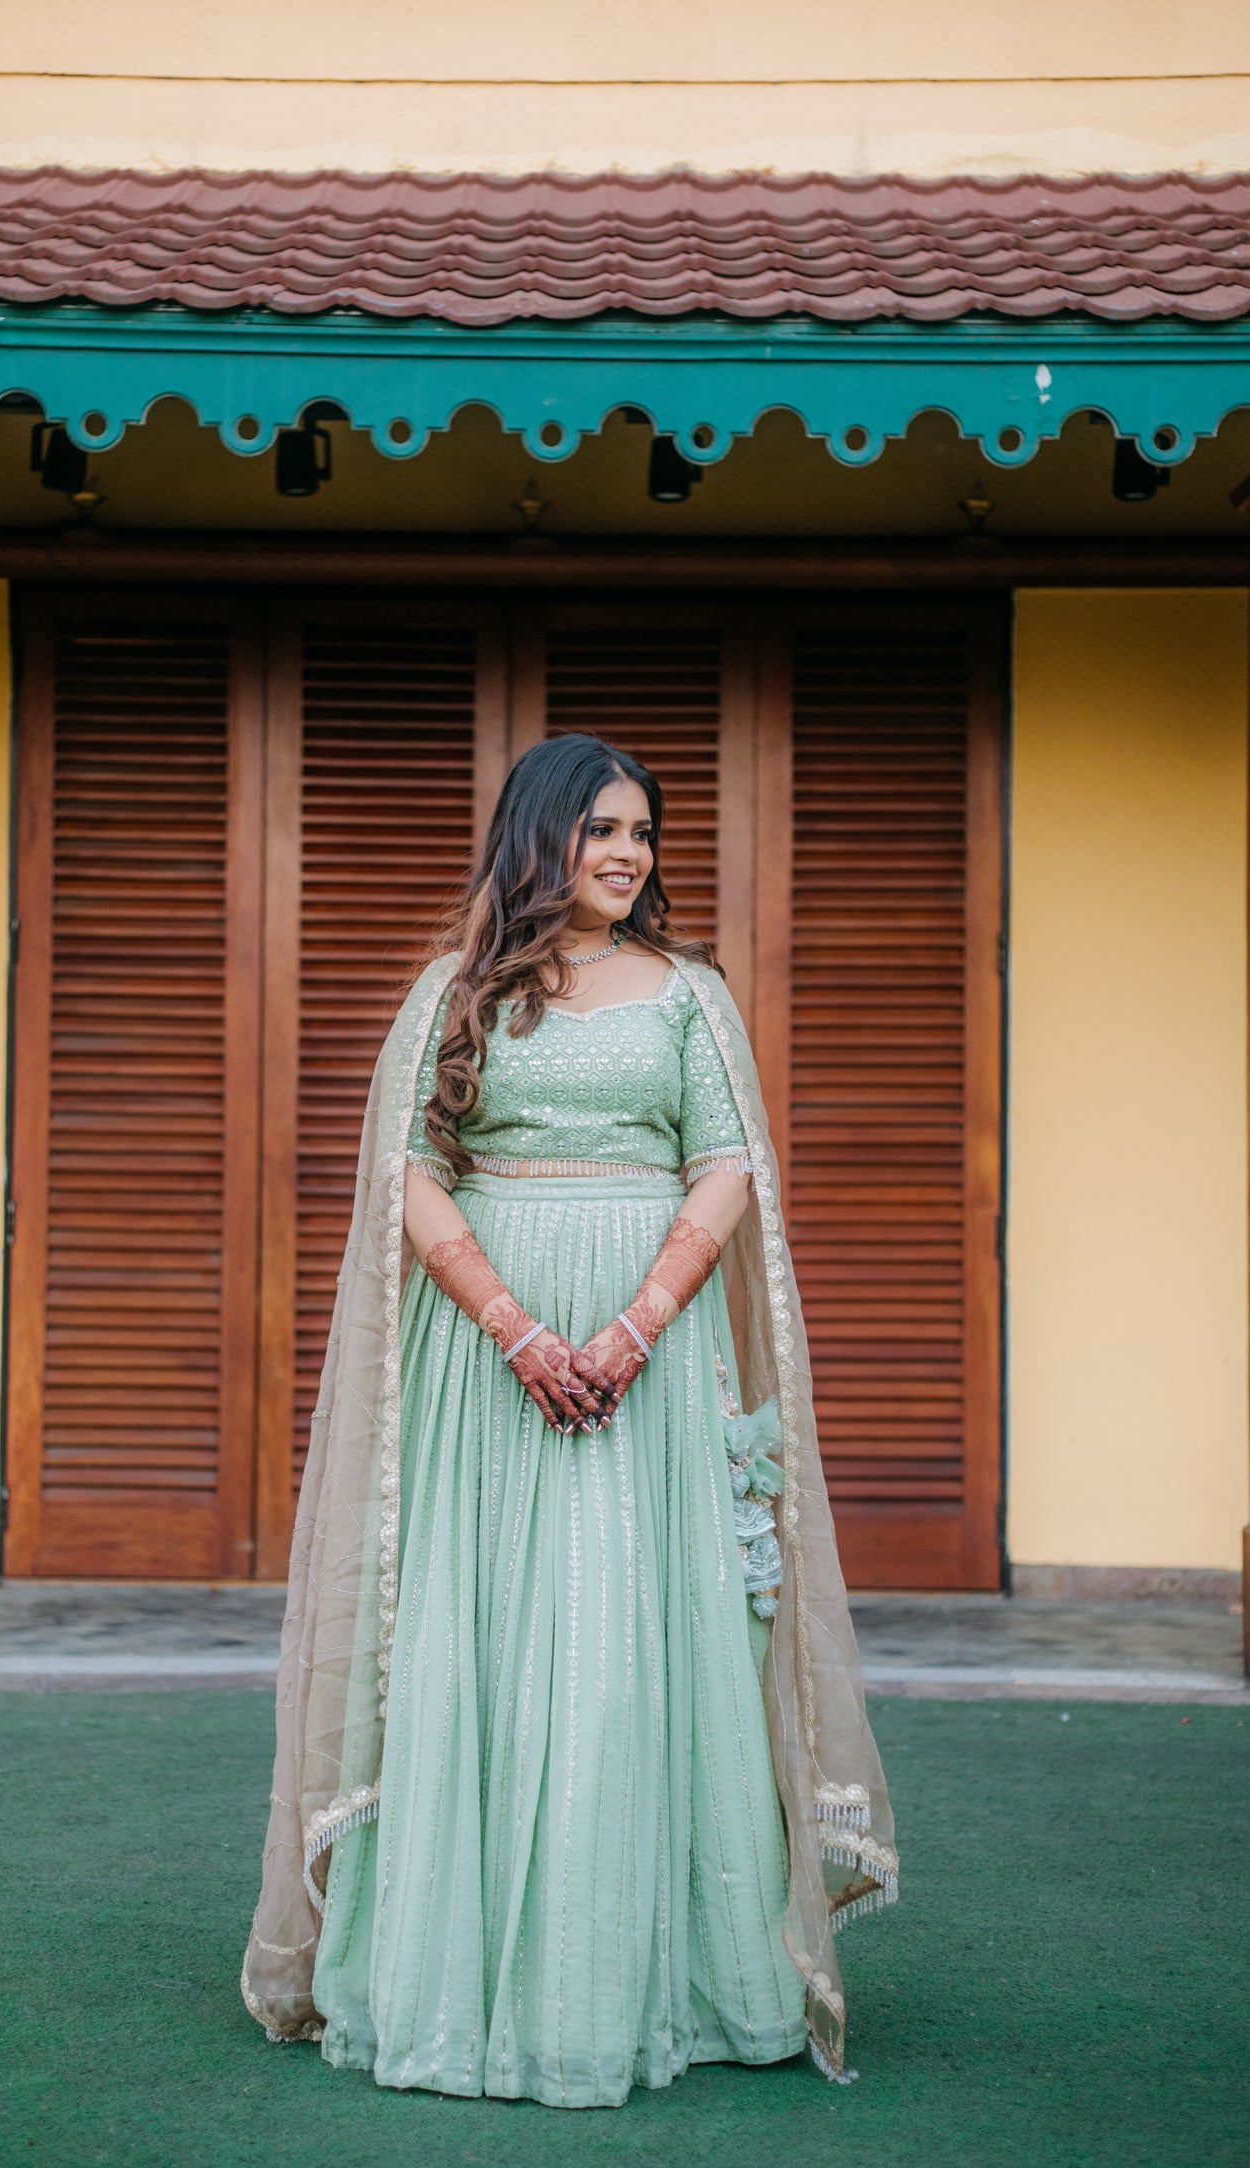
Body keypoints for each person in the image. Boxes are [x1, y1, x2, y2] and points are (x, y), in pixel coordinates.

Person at [243, 734, 896, 2106]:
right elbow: (410, 1175)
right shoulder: (451, 993)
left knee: (631, 1643)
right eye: (600, 828)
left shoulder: (689, 996)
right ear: (539, 835)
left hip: (644, 1366)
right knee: (478, 1646)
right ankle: (457, 1978)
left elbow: (723, 1169)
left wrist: (633, 1328)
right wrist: (520, 1330)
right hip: (483, 1365)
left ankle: (665, 1974)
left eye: (643, 833)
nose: (627, 853)